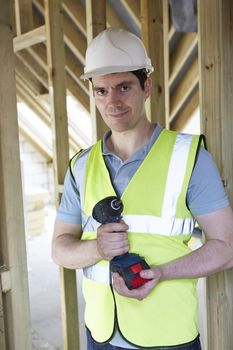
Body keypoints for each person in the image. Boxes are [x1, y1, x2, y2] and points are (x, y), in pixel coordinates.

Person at [52, 28, 233, 350]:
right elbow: (59, 249)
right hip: (100, 334)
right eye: (102, 91)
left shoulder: (188, 157)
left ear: (146, 87)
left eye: (124, 87)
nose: (113, 102)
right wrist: (98, 249)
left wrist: (161, 273)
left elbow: (226, 247)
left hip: (168, 334)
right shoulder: (80, 165)